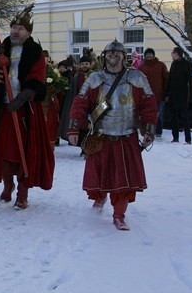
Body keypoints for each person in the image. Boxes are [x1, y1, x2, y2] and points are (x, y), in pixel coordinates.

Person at [67, 40, 158, 230]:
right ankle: (99, 201)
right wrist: (74, 129)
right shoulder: (94, 78)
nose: (113, 57)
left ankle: (119, 215)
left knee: (123, 179)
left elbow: (149, 104)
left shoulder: (137, 78)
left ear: (124, 57)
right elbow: (80, 103)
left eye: (117, 54)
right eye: (109, 54)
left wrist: (148, 130)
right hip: (101, 136)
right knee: (100, 174)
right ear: (104, 57)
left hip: (126, 136)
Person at [0, 5, 54, 210]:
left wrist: (19, 100)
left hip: (25, 111)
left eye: (20, 28)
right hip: (2, 109)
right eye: (14, 27)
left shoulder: (35, 52)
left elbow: (37, 79)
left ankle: (22, 191)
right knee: (2, 148)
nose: (15, 31)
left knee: (24, 152)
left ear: (28, 32)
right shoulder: (3, 46)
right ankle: (7, 183)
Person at [164, 46, 192, 144]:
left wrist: (191, 96)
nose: (171, 55)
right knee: (174, 118)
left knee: (184, 117)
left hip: (182, 95)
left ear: (177, 53)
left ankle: (188, 139)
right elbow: (170, 80)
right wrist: (166, 94)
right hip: (173, 95)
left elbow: (191, 82)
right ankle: (175, 137)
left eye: (172, 53)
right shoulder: (173, 64)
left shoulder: (187, 65)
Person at [138, 48, 169, 140]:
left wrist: (166, 93)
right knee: (147, 115)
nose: (149, 56)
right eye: (147, 54)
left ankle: (159, 131)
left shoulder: (161, 65)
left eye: (150, 54)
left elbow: (167, 79)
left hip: (159, 95)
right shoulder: (142, 67)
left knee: (159, 115)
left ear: (154, 55)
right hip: (146, 97)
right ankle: (149, 131)